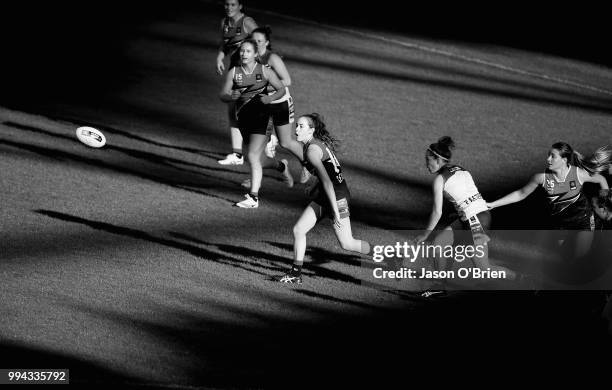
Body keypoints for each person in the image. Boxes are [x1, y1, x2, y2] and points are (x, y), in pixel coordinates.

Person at [415, 137, 524, 297]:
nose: (426, 164)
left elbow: (437, 212)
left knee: (484, 269)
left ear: (438, 160)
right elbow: (467, 196)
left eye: (428, 160)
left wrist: (424, 235)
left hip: (475, 221)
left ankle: (522, 280)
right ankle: (439, 285)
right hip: (475, 216)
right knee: (439, 243)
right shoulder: (461, 169)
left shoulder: (439, 180)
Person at [275, 113, 370, 284]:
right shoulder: (315, 145)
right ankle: (296, 274)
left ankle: (388, 257)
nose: (296, 129)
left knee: (348, 243)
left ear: (311, 130)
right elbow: (330, 174)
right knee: (300, 230)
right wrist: (314, 187)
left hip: (336, 197)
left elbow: (327, 182)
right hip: (333, 194)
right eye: (297, 125)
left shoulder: (311, 151)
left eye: (301, 126)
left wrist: (335, 210)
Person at [487, 142, 611, 262]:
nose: (548, 159)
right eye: (548, 155)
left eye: (553, 156)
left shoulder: (579, 175)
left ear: (564, 160)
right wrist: (494, 204)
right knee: (563, 256)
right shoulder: (541, 178)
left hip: (583, 221)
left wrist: (604, 199)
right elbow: (521, 194)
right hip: (560, 224)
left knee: (579, 257)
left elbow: (600, 179)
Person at [219, 39, 294, 208]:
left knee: (252, 156)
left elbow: (281, 88)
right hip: (243, 121)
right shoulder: (234, 72)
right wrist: (231, 96)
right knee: (258, 159)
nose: (243, 54)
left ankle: (253, 198)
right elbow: (222, 94)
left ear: (255, 54)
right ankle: (281, 166)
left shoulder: (265, 71)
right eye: (242, 51)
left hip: (263, 118)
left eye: (247, 51)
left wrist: (270, 98)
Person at [216, 0, 258, 166]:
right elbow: (225, 43)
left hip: (250, 72)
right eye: (227, 4)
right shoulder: (224, 23)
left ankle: (270, 140)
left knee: (251, 111)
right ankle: (237, 154)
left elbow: (260, 41)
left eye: (233, 4)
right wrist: (220, 56)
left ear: (240, 6)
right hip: (235, 70)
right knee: (233, 111)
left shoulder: (247, 22)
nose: (229, 8)